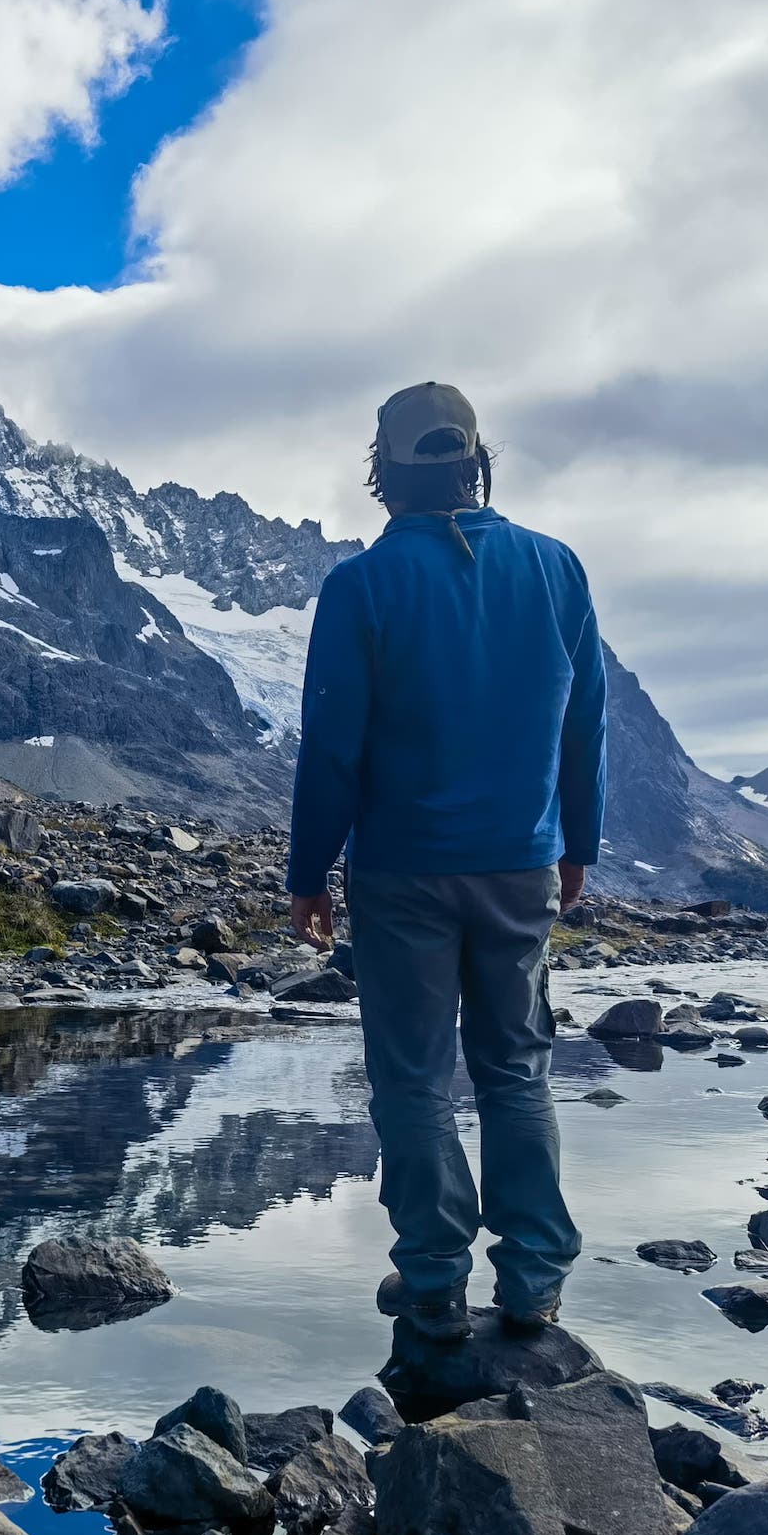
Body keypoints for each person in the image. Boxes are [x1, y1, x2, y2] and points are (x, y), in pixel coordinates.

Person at [284, 381, 606, 1344]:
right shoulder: (557, 569)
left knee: (415, 1078)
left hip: (402, 871)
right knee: (516, 1068)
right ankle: (534, 1280)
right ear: (477, 460)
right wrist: (578, 844)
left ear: (386, 477)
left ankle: (432, 1282)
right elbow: (583, 724)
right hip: (519, 865)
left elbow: (332, 745)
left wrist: (310, 872)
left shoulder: (360, 587)